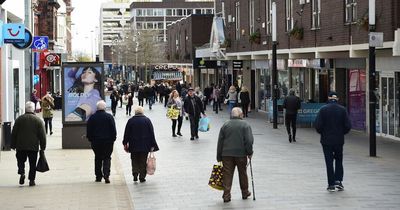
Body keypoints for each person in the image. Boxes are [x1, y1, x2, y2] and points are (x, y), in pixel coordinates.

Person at [315, 92, 351, 192]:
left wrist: (323, 133)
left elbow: (318, 125)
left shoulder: (323, 109)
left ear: (328, 98)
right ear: (337, 99)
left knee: (329, 162)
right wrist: (341, 133)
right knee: (339, 160)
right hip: (339, 140)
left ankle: (331, 184)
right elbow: (348, 126)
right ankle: (338, 181)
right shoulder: (342, 110)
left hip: (326, 140)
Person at [217, 107, 254, 203]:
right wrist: (249, 152)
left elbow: (220, 142)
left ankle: (226, 195)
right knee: (242, 173)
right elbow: (249, 141)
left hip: (226, 154)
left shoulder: (225, 125)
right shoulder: (245, 125)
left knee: (227, 175)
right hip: (241, 154)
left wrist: (219, 156)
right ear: (241, 115)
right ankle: (245, 192)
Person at [11, 101, 46, 186]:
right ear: (33, 109)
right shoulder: (38, 120)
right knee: (32, 164)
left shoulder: (19, 119)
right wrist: (43, 146)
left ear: (25, 109)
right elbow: (42, 135)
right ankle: (31, 180)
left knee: (20, 160)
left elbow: (14, 132)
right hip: (33, 147)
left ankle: (22, 172)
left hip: (21, 146)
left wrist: (13, 144)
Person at [123, 106, 159, 183]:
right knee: (143, 160)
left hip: (133, 144)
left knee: (134, 159)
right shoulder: (147, 120)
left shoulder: (131, 121)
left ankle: (135, 173)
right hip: (145, 145)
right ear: (142, 112)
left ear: (135, 112)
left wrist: (125, 143)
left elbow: (126, 133)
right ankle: (142, 176)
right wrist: (153, 144)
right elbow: (151, 133)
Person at [86, 100, 117, 184]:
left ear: (97, 108)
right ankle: (106, 174)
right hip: (108, 141)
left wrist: (90, 139)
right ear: (105, 108)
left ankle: (98, 176)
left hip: (96, 141)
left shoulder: (92, 117)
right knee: (107, 157)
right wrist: (113, 138)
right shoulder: (109, 117)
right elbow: (113, 129)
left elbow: (89, 130)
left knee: (98, 158)